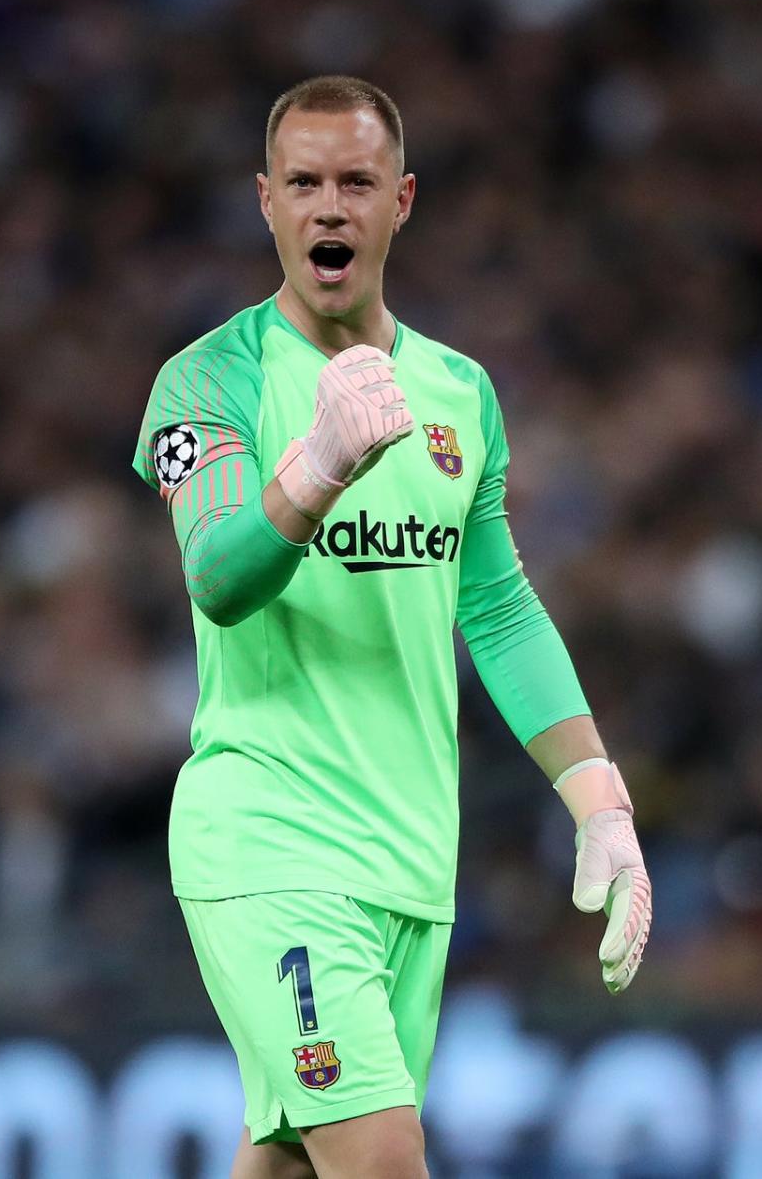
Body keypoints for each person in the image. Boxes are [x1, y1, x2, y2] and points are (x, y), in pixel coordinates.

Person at [133, 74, 652, 1179]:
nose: (331, 207)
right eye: (305, 183)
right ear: (263, 201)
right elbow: (219, 575)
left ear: (401, 199)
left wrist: (599, 797)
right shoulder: (208, 381)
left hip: (412, 858)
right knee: (379, 1156)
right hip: (268, 836)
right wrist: (317, 467)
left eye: (357, 182)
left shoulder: (460, 392)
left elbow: (498, 606)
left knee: (290, 1158)